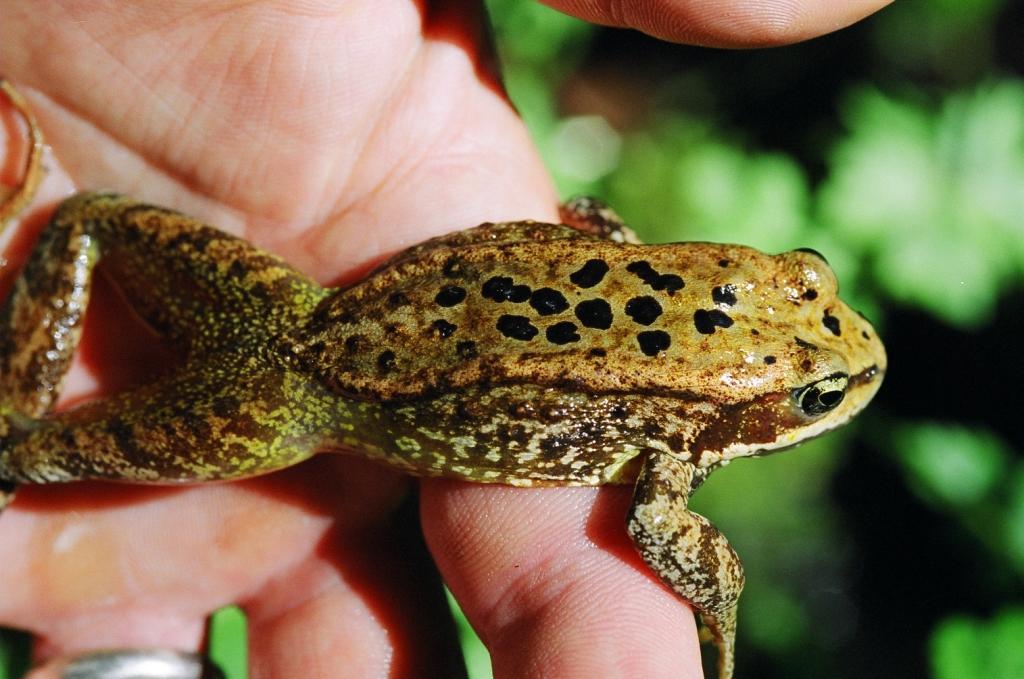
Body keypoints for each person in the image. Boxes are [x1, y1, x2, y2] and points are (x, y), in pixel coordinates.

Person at [0, 1, 888, 676]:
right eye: (810, 397)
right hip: (292, 395)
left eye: (815, 389)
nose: (852, 363)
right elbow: (660, 529)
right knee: (28, 450)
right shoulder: (683, 436)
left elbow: (585, 221)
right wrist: (721, 593)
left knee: (92, 223)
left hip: (304, 313)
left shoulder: (624, 251)